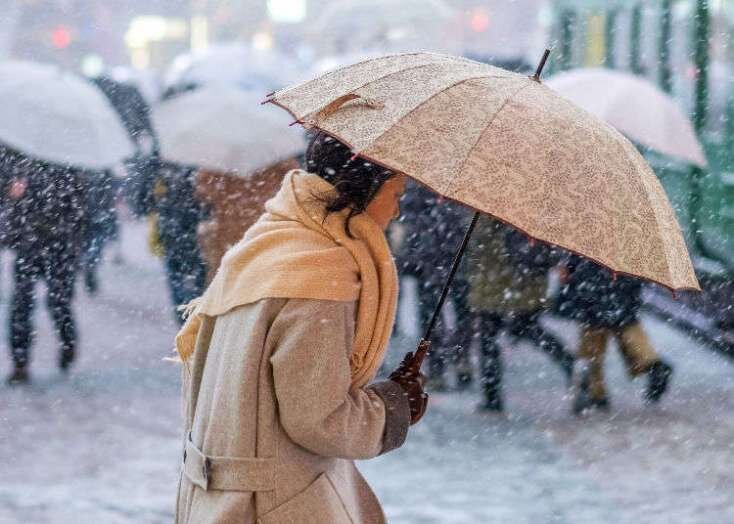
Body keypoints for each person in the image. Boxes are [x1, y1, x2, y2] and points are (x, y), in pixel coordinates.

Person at [174, 132, 426, 523]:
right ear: (365, 189)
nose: (396, 211)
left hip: (220, 497)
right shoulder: (320, 278)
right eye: (396, 195)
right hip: (272, 505)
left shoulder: (271, 243)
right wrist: (394, 407)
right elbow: (319, 419)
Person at [467, 217, 575, 412]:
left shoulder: (495, 204)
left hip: (503, 281)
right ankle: (570, 363)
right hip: (518, 281)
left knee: (492, 336)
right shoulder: (528, 203)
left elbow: (481, 239)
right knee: (522, 331)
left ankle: (492, 397)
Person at [2, 159, 89, 385]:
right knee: (22, 303)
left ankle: (67, 344)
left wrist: (69, 237)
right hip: (29, 247)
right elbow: (9, 208)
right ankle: (20, 363)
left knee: (58, 302)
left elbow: (80, 212)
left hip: (59, 248)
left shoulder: (69, 167)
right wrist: (13, 195)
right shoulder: (20, 165)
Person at [557, 256, 674, 414]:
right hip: (624, 281)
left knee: (592, 347)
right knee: (628, 329)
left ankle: (596, 393)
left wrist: (569, 270)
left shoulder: (586, 235)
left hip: (593, 285)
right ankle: (652, 363)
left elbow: (574, 260)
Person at [392, 181, 473, 390]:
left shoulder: (421, 177)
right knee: (446, 313)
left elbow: (406, 211)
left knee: (437, 313)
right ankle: (453, 363)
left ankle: (449, 364)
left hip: (437, 253)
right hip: (442, 253)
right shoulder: (458, 180)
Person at [195, 157, 299, 282]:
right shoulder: (275, 155)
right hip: (266, 229)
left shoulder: (218, 161)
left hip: (232, 231)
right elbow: (295, 185)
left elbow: (203, 193)